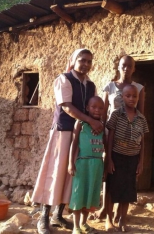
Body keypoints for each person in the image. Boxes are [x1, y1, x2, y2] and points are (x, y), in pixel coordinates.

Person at [31, 49, 104, 234]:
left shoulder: (90, 85)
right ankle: (43, 218)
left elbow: (91, 109)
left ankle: (58, 215)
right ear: (73, 60)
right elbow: (67, 107)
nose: (86, 64)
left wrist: (95, 125)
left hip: (82, 135)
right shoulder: (64, 79)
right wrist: (91, 121)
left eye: (89, 61)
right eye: (82, 60)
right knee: (55, 172)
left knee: (72, 175)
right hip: (64, 132)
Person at [96, 55, 145, 231]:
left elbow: (141, 116)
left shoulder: (139, 88)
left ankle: (121, 215)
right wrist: (102, 134)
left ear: (134, 68)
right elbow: (103, 113)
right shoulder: (110, 87)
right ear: (118, 66)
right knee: (109, 177)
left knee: (125, 179)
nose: (126, 68)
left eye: (130, 66)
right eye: (123, 65)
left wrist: (141, 157)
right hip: (111, 136)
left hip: (131, 140)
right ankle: (107, 213)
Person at [106, 84, 149, 232]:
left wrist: (140, 162)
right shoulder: (116, 114)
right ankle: (109, 219)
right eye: (128, 96)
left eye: (134, 96)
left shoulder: (141, 118)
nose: (131, 99)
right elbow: (110, 136)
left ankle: (123, 219)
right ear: (122, 97)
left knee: (128, 191)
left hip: (132, 158)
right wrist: (109, 159)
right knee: (112, 189)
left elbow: (142, 141)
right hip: (117, 157)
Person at [68, 96, 106, 234]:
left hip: (97, 165)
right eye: (94, 107)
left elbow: (105, 146)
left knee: (90, 195)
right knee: (79, 194)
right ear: (87, 108)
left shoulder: (102, 126)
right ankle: (76, 227)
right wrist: (70, 163)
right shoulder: (80, 124)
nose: (97, 110)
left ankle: (84, 224)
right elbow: (74, 143)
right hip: (82, 163)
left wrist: (105, 167)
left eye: (100, 108)